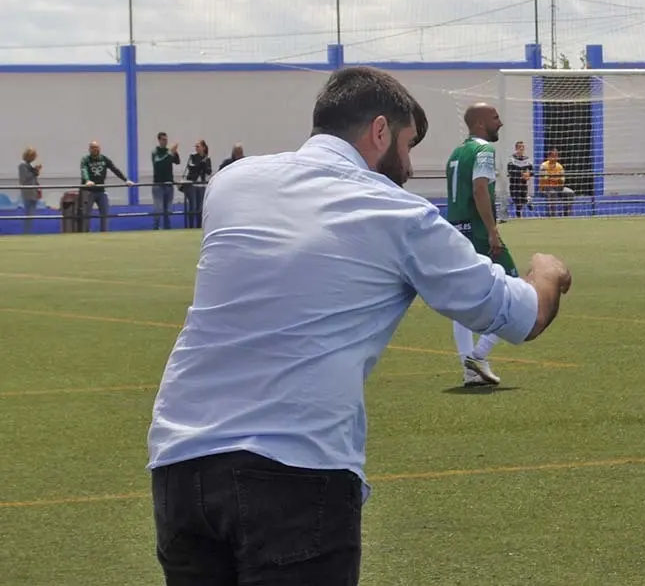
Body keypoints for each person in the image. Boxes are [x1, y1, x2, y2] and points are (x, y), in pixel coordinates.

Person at [146, 67, 572, 585]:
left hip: (180, 464)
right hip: (294, 469)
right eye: (408, 145)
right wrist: (547, 271)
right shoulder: (398, 214)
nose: (408, 167)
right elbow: (523, 315)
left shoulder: (232, 183)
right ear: (380, 131)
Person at [445, 102, 521, 387]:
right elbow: (479, 188)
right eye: (495, 117)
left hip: (456, 231)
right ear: (479, 123)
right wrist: (492, 230)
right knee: (517, 292)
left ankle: (469, 368)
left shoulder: (456, 153)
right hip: (477, 231)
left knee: (464, 300)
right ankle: (478, 355)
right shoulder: (484, 150)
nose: (500, 122)